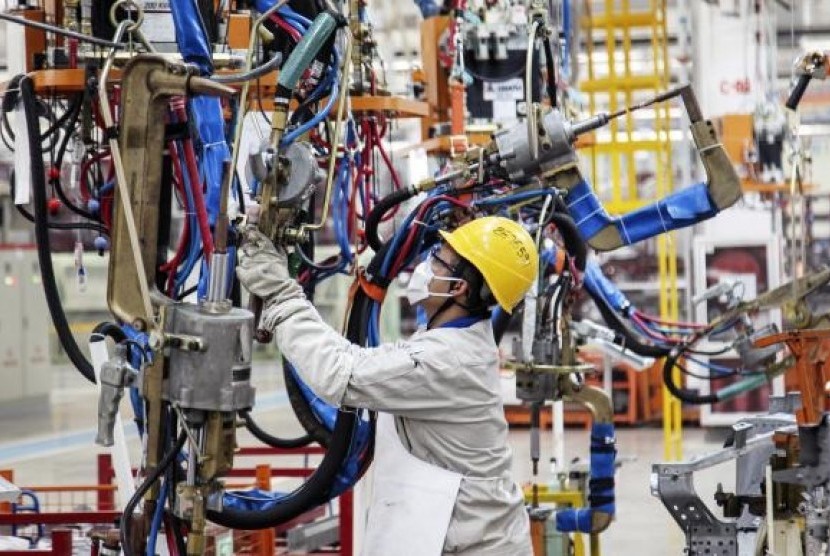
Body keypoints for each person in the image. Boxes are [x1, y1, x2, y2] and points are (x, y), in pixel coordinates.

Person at [236, 216, 538, 555]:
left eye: (439, 258)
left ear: (459, 287)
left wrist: (279, 292)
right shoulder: (450, 341)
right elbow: (367, 369)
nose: (427, 264)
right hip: (457, 535)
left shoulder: (446, 360)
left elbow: (341, 373)